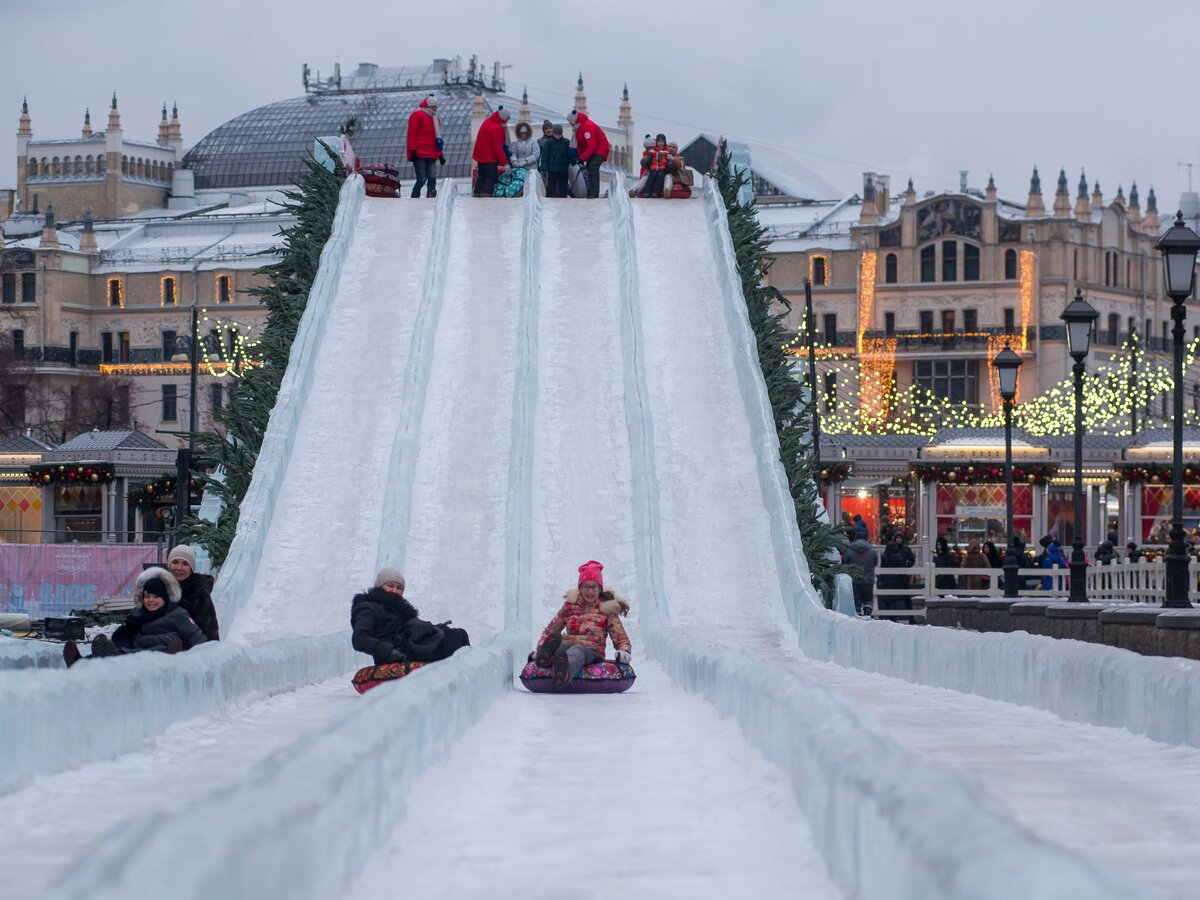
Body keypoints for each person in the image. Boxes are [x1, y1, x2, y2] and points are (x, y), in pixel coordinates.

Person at [64, 567, 208, 666]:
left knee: (123, 658)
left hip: (162, 653)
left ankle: (105, 659)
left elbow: (199, 639)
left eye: (156, 597)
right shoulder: (138, 614)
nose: (151, 600)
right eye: (147, 596)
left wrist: (191, 659)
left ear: (165, 598)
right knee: (120, 654)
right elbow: (124, 633)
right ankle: (79, 663)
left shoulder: (177, 614)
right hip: (137, 651)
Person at [535, 560, 631, 689]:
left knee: (577, 650)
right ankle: (544, 656)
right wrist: (541, 646)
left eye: (593, 587)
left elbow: (620, 637)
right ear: (580, 588)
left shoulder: (606, 609)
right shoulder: (570, 607)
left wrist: (624, 651)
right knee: (559, 643)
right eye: (586, 586)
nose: (590, 591)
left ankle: (564, 673)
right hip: (569, 644)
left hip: (592, 651)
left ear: (600, 588)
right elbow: (550, 630)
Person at [351, 567, 470, 667]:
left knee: (457, 634)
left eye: (399, 588)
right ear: (379, 587)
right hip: (396, 653)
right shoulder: (368, 608)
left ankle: (461, 679)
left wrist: (434, 629)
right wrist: (389, 651)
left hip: (412, 647)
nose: (395, 590)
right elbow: (359, 639)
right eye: (390, 585)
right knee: (454, 638)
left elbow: (412, 627)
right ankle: (455, 681)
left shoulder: (398, 608)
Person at [166, 544, 219, 642]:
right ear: (169, 564)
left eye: (185, 564)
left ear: (191, 568)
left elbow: (208, 632)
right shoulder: (159, 587)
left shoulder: (199, 594)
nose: (179, 567)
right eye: (175, 562)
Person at [406, 93, 445, 199]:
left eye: (436, 107)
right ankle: (415, 196)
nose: (435, 109)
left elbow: (437, 138)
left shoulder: (435, 119)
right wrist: (413, 150)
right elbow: (412, 134)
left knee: (432, 177)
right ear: (428, 105)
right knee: (421, 179)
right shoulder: (417, 115)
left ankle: (431, 195)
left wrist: (440, 154)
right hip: (419, 154)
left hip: (431, 153)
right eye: (433, 106)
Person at [566, 109, 609, 199]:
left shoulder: (587, 127)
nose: (570, 125)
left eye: (570, 123)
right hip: (593, 151)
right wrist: (579, 158)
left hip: (600, 149)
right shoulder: (578, 129)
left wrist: (581, 158)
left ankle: (594, 193)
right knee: (587, 167)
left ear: (574, 122)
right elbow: (581, 146)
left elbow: (592, 146)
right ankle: (588, 190)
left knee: (592, 166)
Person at [472, 106, 511, 198]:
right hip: (489, 158)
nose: (509, 119)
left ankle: (477, 196)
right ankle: (486, 197)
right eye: (508, 117)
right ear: (504, 118)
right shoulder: (497, 128)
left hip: (480, 156)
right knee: (491, 177)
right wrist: (505, 163)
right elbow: (498, 148)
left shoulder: (488, 121)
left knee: (481, 177)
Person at [494, 121, 539, 197]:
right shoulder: (516, 143)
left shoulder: (533, 142)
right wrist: (514, 161)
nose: (523, 135)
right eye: (522, 133)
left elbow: (536, 154)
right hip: (519, 170)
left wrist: (525, 161)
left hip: (531, 168)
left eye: (525, 133)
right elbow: (513, 154)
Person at [842, 535, 878, 616]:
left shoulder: (849, 551)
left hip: (854, 580)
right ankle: (867, 612)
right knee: (868, 598)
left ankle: (857, 614)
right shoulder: (872, 551)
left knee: (856, 599)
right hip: (868, 579)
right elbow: (875, 563)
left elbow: (844, 563)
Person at [539, 123, 571, 198]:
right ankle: (549, 199)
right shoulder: (548, 142)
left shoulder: (566, 142)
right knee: (551, 186)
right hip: (552, 169)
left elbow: (569, 155)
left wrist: (570, 163)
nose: (558, 136)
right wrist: (543, 167)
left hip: (563, 169)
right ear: (554, 133)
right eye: (556, 134)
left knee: (563, 187)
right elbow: (545, 156)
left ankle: (563, 199)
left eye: (559, 134)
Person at [638, 133, 672, 199]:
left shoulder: (666, 151)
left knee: (660, 175)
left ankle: (655, 192)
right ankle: (647, 192)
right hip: (653, 167)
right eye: (659, 141)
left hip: (662, 168)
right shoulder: (653, 150)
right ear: (656, 142)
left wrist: (670, 163)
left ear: (665, 142)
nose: (661, 143)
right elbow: (649, 157)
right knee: (652, 176)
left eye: (662, 141)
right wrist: (646, 161)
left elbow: (669, 159)